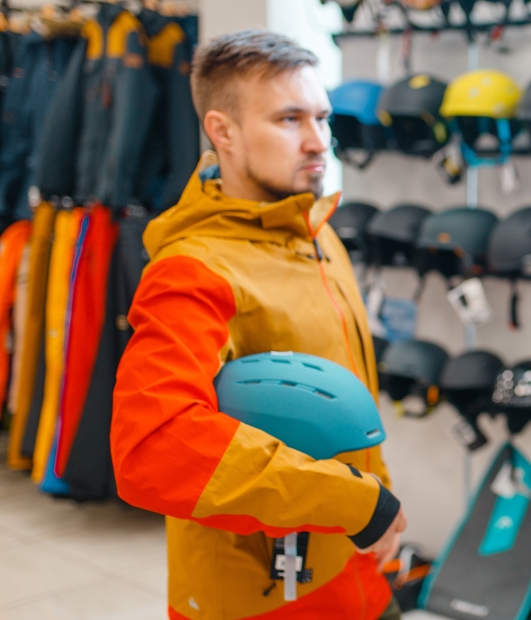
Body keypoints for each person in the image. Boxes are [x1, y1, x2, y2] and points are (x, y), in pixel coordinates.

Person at [111, 31, 405, 620]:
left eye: (321, 117)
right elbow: (154, 445)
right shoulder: (194, 270)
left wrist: (375, 504)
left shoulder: (317, 234)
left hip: (350, 561)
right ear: (223, 131)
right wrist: (355, 502)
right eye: (289, 119)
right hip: (257, 593)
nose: (317, 140)